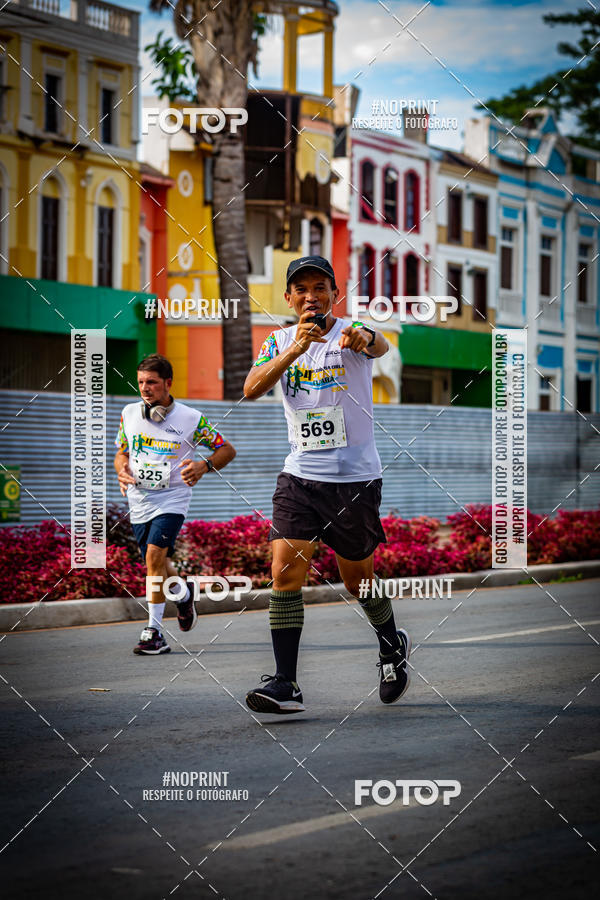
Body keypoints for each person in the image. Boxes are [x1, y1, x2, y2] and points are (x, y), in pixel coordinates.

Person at [243, 255, 411, 714]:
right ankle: (286, 684)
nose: (311, 296)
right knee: (284, 574)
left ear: (334, 294)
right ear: (288, 297)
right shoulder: (278, 341)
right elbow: (251, 388)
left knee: (358, 580)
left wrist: (367, 336)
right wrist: (294, 350)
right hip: (299, 476)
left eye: (320, 287)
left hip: (353, 480)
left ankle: (391, 646)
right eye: (301, 289)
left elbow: (380, 347)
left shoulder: (350, 333)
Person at [114, 354, 236, 655]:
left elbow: (226, 450)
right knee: (159, 565)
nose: (145, 388)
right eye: (141, 382)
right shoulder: (129, 413)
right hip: (139, 500)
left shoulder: (191, 419)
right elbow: (122, 452)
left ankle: (154, 632)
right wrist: (121, 470)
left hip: (173, 499)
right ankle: (183, 596)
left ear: (168, 383)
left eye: (152, 382)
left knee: (155, 558)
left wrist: (203, 466)